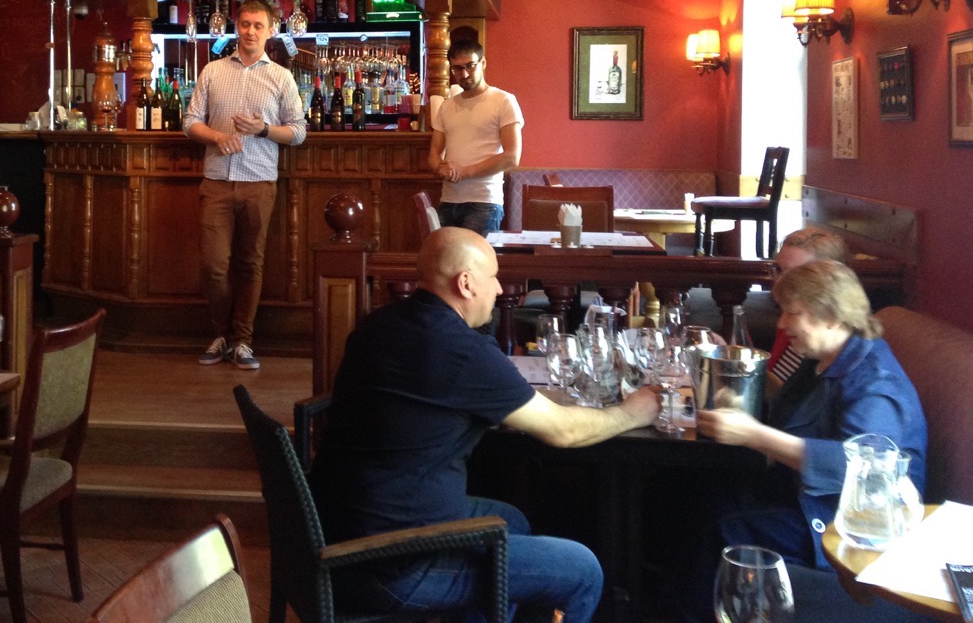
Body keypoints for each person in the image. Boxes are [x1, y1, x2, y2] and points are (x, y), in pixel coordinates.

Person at [309, 226, 660, 623]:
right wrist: (633, 413)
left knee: (512, 520)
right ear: (465, 283)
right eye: (492, 277)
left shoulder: (380, 323)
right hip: (392, 563)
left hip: (338, 529)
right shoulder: (460, 350)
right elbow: (564, 430)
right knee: (582, 570)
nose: (498, 289)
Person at [697, 260, 927, 571]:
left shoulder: (876, 386)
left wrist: (753, 434)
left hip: (844, 522)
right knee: (699, 488)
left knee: (724, 530)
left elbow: (855, 469)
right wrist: (743, 405)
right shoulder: (822, 358)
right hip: (798, 493)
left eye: (792, 313)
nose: (781, 324)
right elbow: (793, 416)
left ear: (831, 317)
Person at [184, 0, 307, 370]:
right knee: (214, 266)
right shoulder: (213, 70)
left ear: (270, 31)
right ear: (236, 27)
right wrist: (217, 137)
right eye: (245, 24)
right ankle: (221, 334)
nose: (250, 31)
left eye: (258, 25)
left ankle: (243, 341)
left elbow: (299, 132)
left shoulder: (281, 77)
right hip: (217, 180)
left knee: (251, 263)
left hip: (259, 181)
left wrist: (264, 129)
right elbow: (190, 122)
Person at [428, 38, 523, 236]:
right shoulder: (447, 106)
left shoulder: (503, 100)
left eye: (470, 66)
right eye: (457, 68)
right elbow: (434, 154)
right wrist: (441, 168)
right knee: (442, 256)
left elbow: (512, 157)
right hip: (448, 200)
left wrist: (464, 172)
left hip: (484, 203)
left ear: (483, 63)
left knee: (475, 257)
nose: (464, 74)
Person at [765, 227, 849, 387]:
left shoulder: (829, 339)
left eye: (794, 275)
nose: (779, 282)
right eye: (779, 270)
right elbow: (776, 383)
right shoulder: (791, 316)